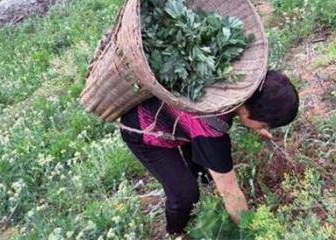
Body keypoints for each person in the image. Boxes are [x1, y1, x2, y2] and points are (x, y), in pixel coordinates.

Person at [119, 70, 299, 235]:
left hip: (178, 118)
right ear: (247, 110)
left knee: (202, 173)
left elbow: (248, 112)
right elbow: (230, 193)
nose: (264, 129)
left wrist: (256, 123)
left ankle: (200, 190)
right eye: (265, 124)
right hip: (143, 131)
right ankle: (175, 233)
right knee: (185, 195)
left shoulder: (232, 84)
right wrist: (252, 232)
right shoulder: (212, 130)